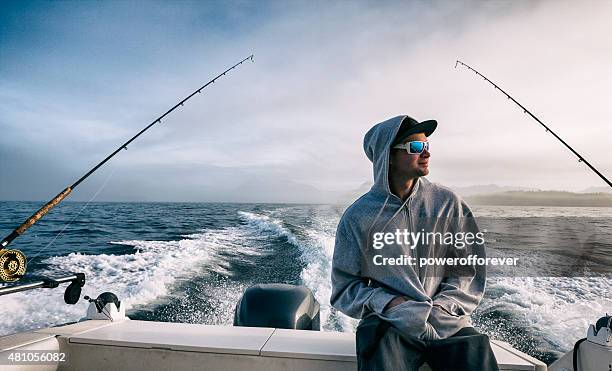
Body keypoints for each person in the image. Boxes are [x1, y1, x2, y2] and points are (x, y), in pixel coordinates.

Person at [330, 115, 499, 371]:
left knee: (477, 355)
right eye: (415, 147)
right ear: (387, 156)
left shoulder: (448, 203)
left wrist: (443, 307)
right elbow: (344, 288)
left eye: (427, 145)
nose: (426, 153)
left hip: (447, 322)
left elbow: (468, 268)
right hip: (390, 325)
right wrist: (389, 304)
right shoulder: (357, 217)